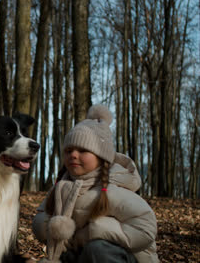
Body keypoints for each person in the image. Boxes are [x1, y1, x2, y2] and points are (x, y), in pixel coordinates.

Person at [32, 105, 159, 263]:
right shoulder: (61, 188)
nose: (73, 155)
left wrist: (93, 232)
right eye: (68, 150)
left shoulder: (114, 189)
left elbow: (145, 228)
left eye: (83, 150)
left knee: (97, 249)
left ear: (101, 157)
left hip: (123, 257)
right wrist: (51, 229)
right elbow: (42, 215)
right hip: (82, 255)